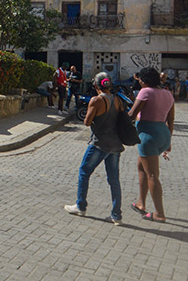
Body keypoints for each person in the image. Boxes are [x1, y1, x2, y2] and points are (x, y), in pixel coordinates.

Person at [65, 72, 125, 224]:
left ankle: (81, 206)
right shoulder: (117, 100)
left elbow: (86, 122)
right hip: (116, 144)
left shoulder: (96, 100)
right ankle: (116, 215)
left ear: (96, 86)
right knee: (114, 179)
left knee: (84, 172)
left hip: (99, 144)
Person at [129, 67, 174, 222]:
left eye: (140, 80)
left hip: (147, 136)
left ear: (144, 80)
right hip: (163, 134)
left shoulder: (145, 92)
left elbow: (132, 114)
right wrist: (169, 140)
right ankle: (141, 203)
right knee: (142, 168)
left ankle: (159, 213)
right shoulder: (168, 94)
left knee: (152, 174)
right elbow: (171, 119)